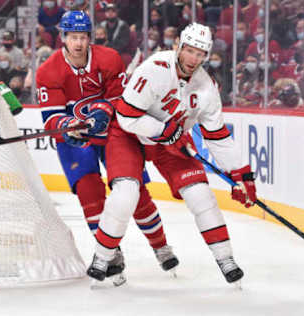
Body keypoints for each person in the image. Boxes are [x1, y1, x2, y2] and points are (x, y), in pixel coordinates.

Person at [86, 22, 257, 284]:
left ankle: (225, 258)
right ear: (179, 46)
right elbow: (127, 117)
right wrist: (163, 129)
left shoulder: (207, 87)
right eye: (190, 51)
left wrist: (243, 175)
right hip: (128, 136)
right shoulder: (155, 68)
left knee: (201, 194)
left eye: (200, 54)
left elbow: (218, 136)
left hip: (171, 141)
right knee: (126, 193)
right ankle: (102, 256)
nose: (193, 59)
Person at [35, 11, 179, 282]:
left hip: (113, 132)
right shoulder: (48, 71)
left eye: (82, 37)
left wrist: (104, 109)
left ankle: (161, 246)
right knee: (90, 195)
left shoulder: (109, 58)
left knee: (135, 192)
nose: (78, 43)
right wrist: (69, 130)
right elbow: (51, 117)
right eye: (72, 37)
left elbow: (121, 102)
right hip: (77, 139)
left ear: (90, 37)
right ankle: (111, 254)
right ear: (63, 38)